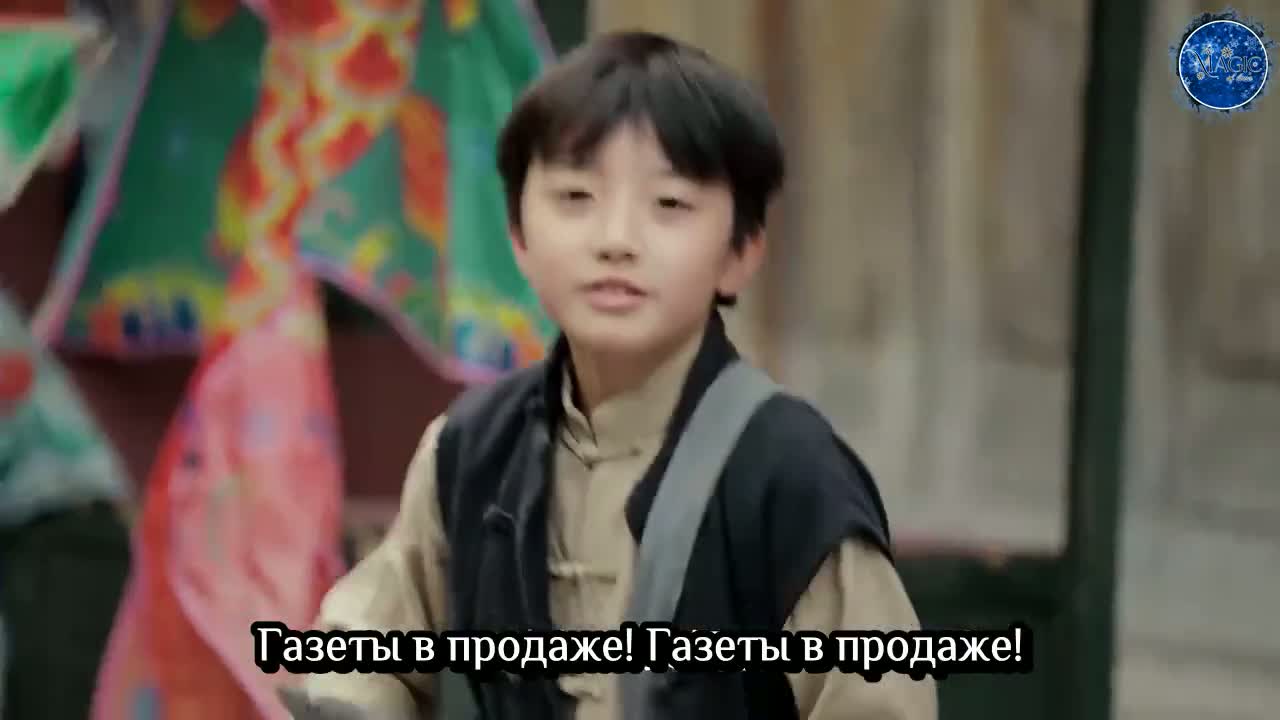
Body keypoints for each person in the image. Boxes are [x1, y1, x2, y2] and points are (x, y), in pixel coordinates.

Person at [296, 30, 937, 720]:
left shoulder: (788, 471)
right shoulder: (471, 448)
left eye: (669, 205)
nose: (616, 240)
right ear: (518, 236)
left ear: (741, 251)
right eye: (576, 197)